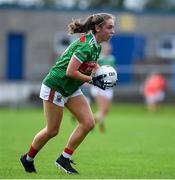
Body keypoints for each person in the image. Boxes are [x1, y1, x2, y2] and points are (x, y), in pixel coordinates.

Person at [20, 13, 115, 174]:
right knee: (52, 131)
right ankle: (28, 158)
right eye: (109, 27)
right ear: (98, 28)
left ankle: (63, 159)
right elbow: (71, 72)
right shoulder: (86, 45)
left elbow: (92, 64)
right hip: (56, 86)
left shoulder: (96, 45)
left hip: (70, 88)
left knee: (88, 123)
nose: (113, 31)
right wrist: (92, 81)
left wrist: (106, 75)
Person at [91, 42, 116, 132]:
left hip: (109, 86)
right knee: (102, 108)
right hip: (99, 86)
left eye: (109, 48)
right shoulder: (99, 58)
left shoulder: (112, 58)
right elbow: (94, 71)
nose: (108, 49)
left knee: (106, 110)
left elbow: (113, 71)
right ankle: (93, 123)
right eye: (106, 48)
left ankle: (92, 122)